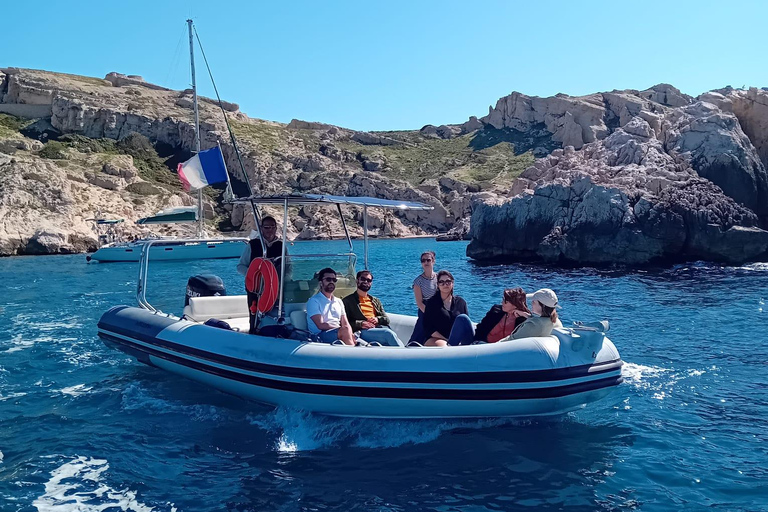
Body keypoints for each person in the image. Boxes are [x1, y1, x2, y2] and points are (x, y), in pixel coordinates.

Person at [342, 271, 404, 347]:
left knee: (390, 336)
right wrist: (361, 324)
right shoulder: (348, 301)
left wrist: (377, 319)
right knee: (388, 334)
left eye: (369, 280)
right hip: (361, 331)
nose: (365, 282)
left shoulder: (375, 300)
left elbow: (386, 319)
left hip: (377, 328)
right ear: (357, 280)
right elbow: (344, 323)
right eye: (363, 279)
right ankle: (406, 355)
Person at [423, 270, 473, 347]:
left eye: (448, 281)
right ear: (438, 285)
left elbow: (465, 326)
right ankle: (451, 346)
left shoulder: (461, 302)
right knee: (444, 345)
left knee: (463, 318)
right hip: (437, 338)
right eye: (441, 282)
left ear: (452, 283)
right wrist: (446, 340)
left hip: (457, 339)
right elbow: (429, 329)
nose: (445, 284)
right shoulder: (431, 303)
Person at [306, 267, 355, 345]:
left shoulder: (339, 301)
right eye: (328, 279)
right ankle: (352, 354)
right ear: (321, 283)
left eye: (334, 280)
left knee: (357, 338)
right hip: (320, 335)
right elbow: (320, 325)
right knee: (345, 331)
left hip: (339, 331)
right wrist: (341, 329)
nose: (331, 282)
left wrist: (350, 333)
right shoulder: (313, 301)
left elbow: (345, 323)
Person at [409, 251, 437, 343]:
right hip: (425, 310)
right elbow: (419, 303)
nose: (426, 262)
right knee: (420, 333)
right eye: (423, 260)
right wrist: (430, 314)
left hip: (438, 307)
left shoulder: (439, 277)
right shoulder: (418, 281)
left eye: (428, 260)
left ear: (433, 261)